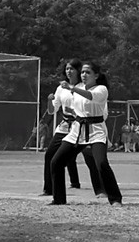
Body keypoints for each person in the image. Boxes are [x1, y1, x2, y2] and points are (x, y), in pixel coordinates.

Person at [49, 61, 122, 206]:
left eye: (88, 72)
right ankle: (59, 199)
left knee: (101, 163)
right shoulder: (77, 88)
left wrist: (71, 88)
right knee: (56, 162)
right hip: (77, 130)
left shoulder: (101, 89)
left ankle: (115, 199)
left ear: (96, 75)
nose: (84, 75)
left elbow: (90, 96)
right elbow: (73, 105)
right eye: (82, 72)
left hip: (96, 131)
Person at [42, 59, 101, 197]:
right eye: (67, 69)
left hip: (81, 125)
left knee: (90, 158)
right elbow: (52, 110)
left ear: (78, 71)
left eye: (72, 69)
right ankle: (49, 189)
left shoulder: (84, 86)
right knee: (50, 155)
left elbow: (89, 105)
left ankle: (100, 189)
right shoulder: (60, 88)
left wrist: (74, 110)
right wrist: (50, 101)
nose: (69, 71)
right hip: (65, 126)